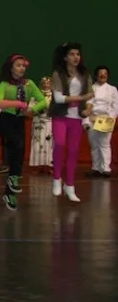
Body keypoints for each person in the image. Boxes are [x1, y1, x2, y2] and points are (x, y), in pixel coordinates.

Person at [0, 55, 47, 210]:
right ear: (11, 68)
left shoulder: (29, 84)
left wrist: (32, 109)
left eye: (23, 65)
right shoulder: (5, 84)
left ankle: (10, 192)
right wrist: (20, 104)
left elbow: (43, 101)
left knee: (19, 154)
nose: (22, 68)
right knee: (17, 144)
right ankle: (12, 180)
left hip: (19, 120)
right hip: (5, 119)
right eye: (18, 65)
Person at [49, 42, 91, 202]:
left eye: (78, 54)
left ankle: (70, 185)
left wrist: (88, 109)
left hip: (77, 117)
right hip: (60, 115)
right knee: (59, 144)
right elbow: (59, 98)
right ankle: (57, 179)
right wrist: (81, 98)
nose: (76, 57)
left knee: (73, 151)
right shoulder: (58, 74)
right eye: (72, 54)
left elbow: (90, 96)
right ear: (65, 57)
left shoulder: (84, 74)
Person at [86, 65, 116, 178]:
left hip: (106, 118)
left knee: (104, 144)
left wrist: (110, 118)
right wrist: (87, 121)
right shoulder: (91, 88)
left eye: (105, 73)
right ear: (96, 75)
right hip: (93, 118)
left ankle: (106, 169)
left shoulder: (112, 89)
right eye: (101, 73)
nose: (103, 75)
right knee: (94, 145)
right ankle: (96, 168)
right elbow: (86, 105)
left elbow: (115, 106)